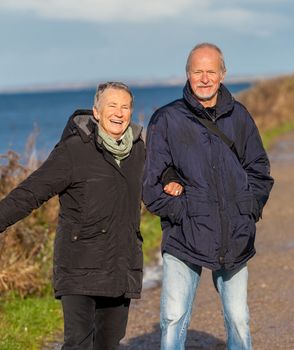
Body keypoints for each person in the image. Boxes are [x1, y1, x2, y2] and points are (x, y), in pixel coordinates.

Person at [0, 81, 182, 350]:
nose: (119, 113)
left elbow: (162, 168)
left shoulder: (140, 150)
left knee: (109, 345)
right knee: (78, 344)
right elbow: (30, 192)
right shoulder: (73, 151)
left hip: (121, 266)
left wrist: (171, 177)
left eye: (125, 107)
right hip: (79, 266)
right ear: (96, 112)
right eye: (112, 106)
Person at [143, 43, 274, 350]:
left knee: (239, 320)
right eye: (197, 71)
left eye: (210, 72)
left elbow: (259, 170)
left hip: (234, 233)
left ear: (223, 74)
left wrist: (247, 209)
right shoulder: (166, 120)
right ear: (187, 74)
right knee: (173, 319)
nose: (204, 79)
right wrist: (183, 212)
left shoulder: (239, 117)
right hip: (185, 235)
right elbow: (151, 185)